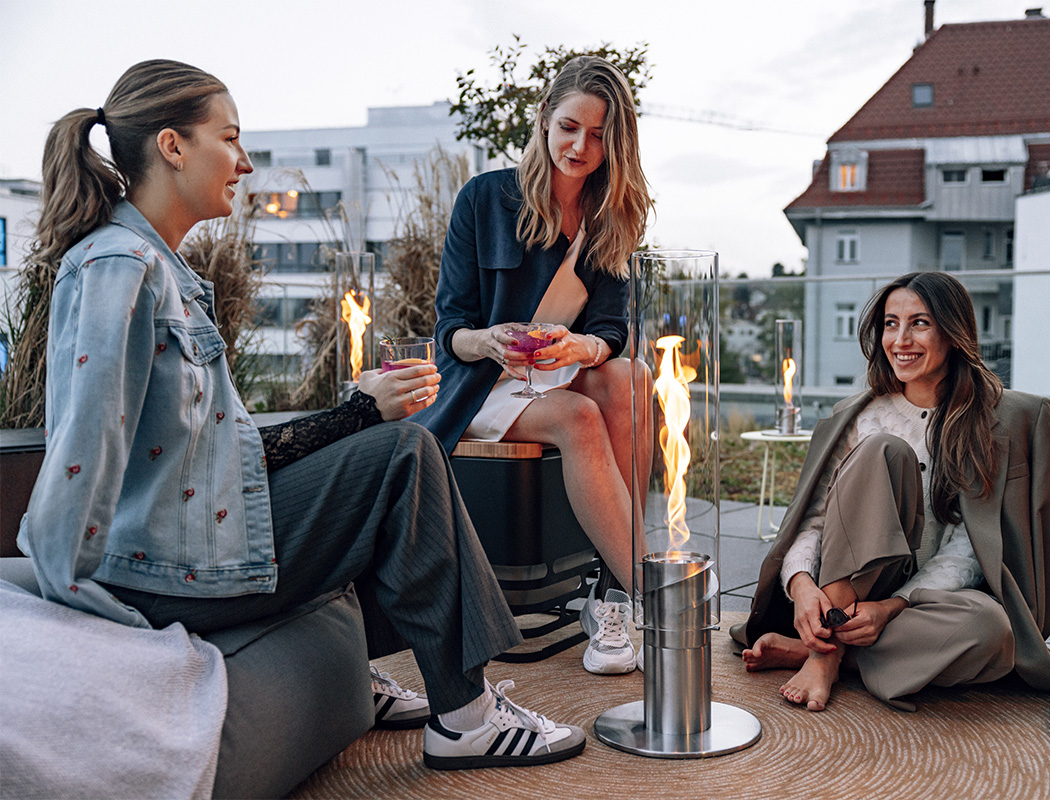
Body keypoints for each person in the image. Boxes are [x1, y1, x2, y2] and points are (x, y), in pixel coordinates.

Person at [19, 59, 585, 771]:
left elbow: (214, 451)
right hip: (165, 572)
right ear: (172, 146)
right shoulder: (118, 268)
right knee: (405, 454)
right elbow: (85, 445)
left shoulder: (159, 269)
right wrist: (83, 609)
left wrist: (356, 412)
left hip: (194, 542)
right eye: (228, 139)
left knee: (386, 439)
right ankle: (466, 717)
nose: (245, 162)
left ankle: (362, 676)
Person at [734, 271, 1050, 712]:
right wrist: (803, 586)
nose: (900, 340)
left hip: (919, 605)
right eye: (890, 323)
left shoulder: (991, 422)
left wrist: (890, 607)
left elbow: (967, 551)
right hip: (844, 583)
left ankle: (829, 654)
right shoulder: (862, 416)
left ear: (954, 332)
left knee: (992, 629)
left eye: (919, 323)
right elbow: (815, 520)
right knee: (884, 452)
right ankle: (824, 655)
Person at [411, 56, 653, 675]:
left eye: (599, 135)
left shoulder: (608, 216)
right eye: (570, 126)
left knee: (632, 378)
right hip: (484, 383)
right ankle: (654, 599)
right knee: (576, 416)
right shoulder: (485, 199)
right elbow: (449, 332)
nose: (581, 145)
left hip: (557, 371)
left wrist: (585, 349)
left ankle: (615, 594)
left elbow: (610, 331)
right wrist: (488, 340)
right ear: (544, 118)